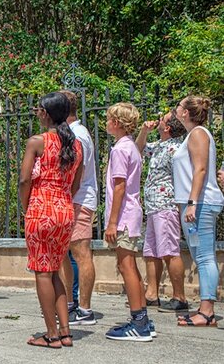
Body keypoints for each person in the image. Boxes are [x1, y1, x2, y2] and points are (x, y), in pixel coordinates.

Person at [20, 92, 83, 348]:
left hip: (41, 208)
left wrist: (28, 207)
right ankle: (65, 332)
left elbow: (24, 180)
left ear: (46, 113)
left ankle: (51, 334)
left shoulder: (37, 141)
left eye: (39, 109)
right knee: (55, 269)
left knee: (42, 273)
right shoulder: (76, 144)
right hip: (65, 210)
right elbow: (77, 182)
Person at [103, 103, 153, 342]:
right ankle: (143, 318)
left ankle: (139, 322)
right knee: (131, 265)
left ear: (117, 123)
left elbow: (119, 186)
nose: (106, 122)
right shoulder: (130, 147)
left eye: (110, 118)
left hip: (123, 216)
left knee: (126, 266)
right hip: (131, 213)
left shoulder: (120, 150)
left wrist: (112, 223)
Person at [173, 96, 224, 327]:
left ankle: (207, 312)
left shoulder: (198, 134)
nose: (176, 108)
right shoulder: (192, 135)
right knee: (199, 256)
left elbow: (201, 169)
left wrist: (192, 202)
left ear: (186, 112)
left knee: (204, 256)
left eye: (180, 105)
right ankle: (205, 308)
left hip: (201, 203)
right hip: (194, 202)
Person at [135, 111, 188, 313]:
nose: (158, 118)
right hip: (154, 206)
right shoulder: (160, 146)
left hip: (166, 206)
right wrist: (144, 131)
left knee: (169, 251)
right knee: (152, 252)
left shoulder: (176, 149)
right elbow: (138, 149)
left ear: (167, 128)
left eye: (163, 118)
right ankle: (152, 294)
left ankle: (179, 297)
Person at [57, 90, 98, 326]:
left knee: (81, 254)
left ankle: (85, 309)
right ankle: (71, 304)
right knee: (65, 254)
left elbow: (77, 173)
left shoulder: (78, 135)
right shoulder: (72, 133)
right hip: (71, 199)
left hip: (79, 199)